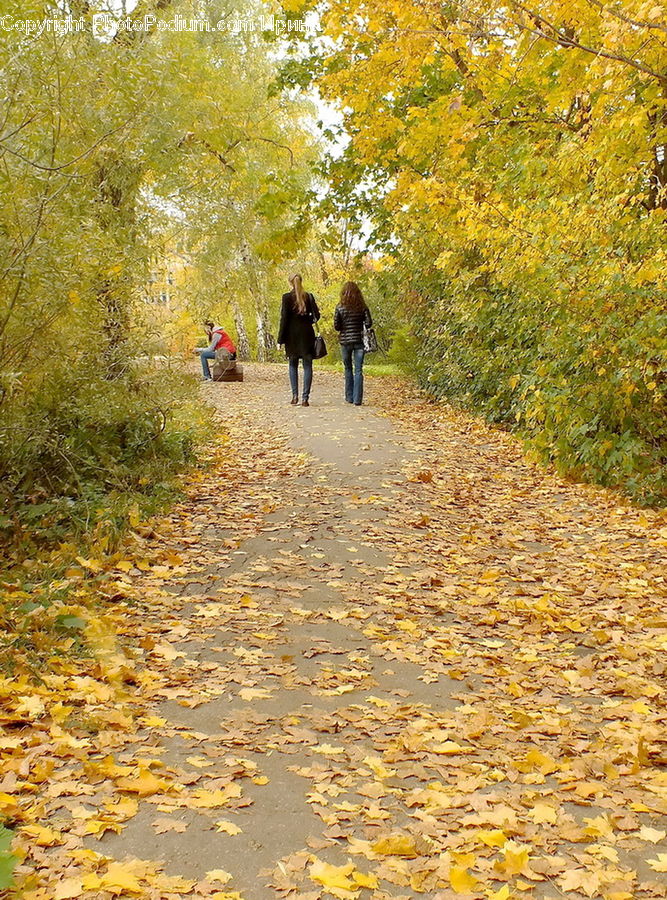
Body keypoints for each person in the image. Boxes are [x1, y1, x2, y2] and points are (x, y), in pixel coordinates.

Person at [277, 274, 320, 407]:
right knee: (307, 366)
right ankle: (305, 398)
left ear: (290, 283)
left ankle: (294, 396)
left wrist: (280, 340)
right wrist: (307, 319)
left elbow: (284, 319)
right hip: (307, 334)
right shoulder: (309, 296)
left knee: (292, 365)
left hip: (291, 336)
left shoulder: (286, 297)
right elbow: (317, 316)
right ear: (301, 282)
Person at [334, 281, 373, 406]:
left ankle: (349, 397)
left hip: (345, 342)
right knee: (358, 370)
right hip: (359, 341)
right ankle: (357, 399)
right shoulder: (362, 307)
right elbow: (368, 323)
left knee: (347, 368)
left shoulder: (339, 307)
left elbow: (337, 326)